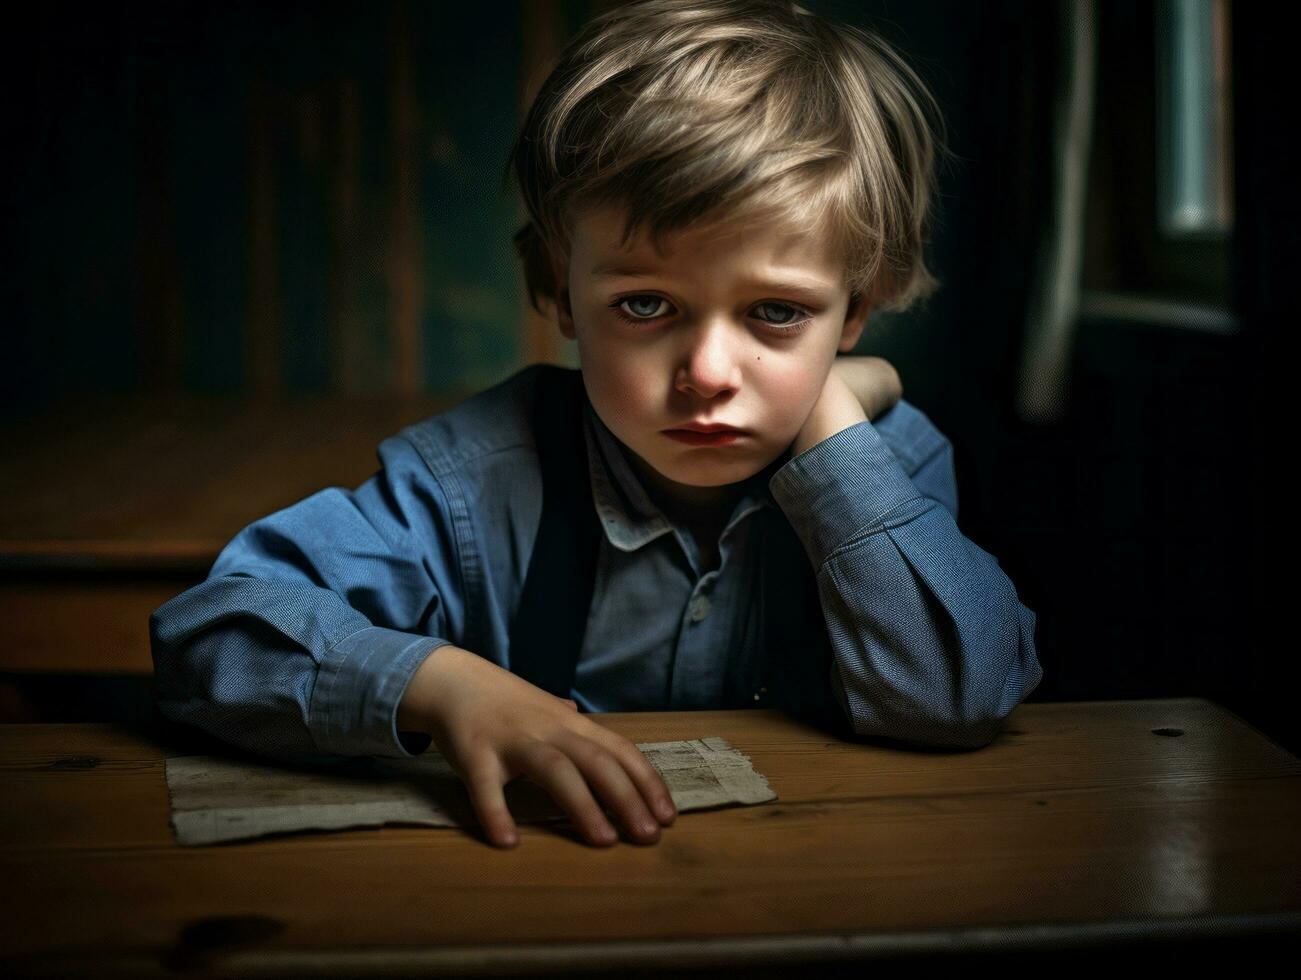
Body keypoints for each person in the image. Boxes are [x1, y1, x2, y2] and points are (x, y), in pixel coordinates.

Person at [150, 0, 1042, 851]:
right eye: (646, 304)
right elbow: (212, 634)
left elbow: (954, 698)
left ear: (856, 310)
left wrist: (837, 430)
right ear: (556, 288)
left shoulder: (886, 464)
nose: (706, 375)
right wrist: (446, 688)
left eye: (775, 313)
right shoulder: (475, 479)